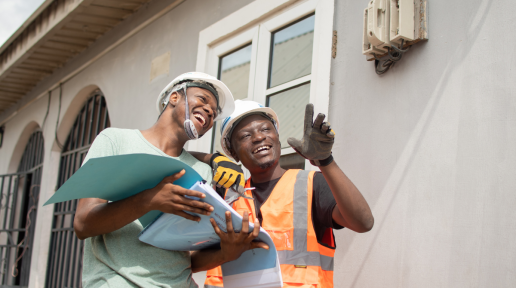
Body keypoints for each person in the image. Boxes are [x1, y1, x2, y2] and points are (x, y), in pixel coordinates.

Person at [73, 72, 266, 288]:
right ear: (174, 97)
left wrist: (226, 253)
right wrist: (148, 201)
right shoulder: (115, 141)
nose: (210, 112)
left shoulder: (204, 173)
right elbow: (83, 224)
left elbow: (187, 258)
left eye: (213, 113)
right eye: (203, 99)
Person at [194, 100, 374, 288]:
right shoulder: (223, 195)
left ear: (277, 136)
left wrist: (325, 160)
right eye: (246, 135)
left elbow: (363, 223)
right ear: (233, 152)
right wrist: (213, 158)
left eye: (265, 129)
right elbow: (174, 156)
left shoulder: (312, 185)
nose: (258, 138)